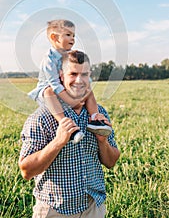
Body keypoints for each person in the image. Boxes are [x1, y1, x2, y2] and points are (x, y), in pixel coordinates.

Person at [19, 50, 120, 217]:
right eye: (73, 74)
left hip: (93, 207)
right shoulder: (42, 117)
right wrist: (58, 142)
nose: (79, 80)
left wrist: (102, 141)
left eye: (84, 74)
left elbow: (111, 162)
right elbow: (26, 171)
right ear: (61, 76)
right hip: (55, 209)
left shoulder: (98, 114)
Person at [28, 19, 112, 144]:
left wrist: (85, 90)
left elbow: (82, 75)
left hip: (65, 89)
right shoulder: (49, 59)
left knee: (89, 91)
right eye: (68, 35)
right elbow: (54, 84)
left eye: (73, 35)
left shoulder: (70, 55)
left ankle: (95, 120)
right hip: (48, 89)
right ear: (54, 37)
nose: (73, 38)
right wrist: (73, 102)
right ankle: (67, 126)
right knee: (49, 92)